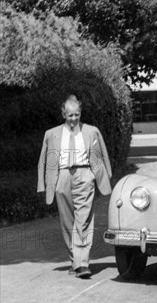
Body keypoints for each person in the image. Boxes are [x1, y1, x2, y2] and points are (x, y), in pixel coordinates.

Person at [37, 95, 112, 279]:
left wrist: (104, 175)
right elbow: (43, 160)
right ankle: (75, 261)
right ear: (63, 114)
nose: (73, 119)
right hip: (62, 176)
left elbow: (103, 154)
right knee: (67, 222)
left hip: (84, 174)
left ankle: (83, 264)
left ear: (80, 113)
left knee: (83, 220)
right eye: (70, 115)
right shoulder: (51, 134)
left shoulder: (91, 131)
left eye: (76, 115)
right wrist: (42, 184)